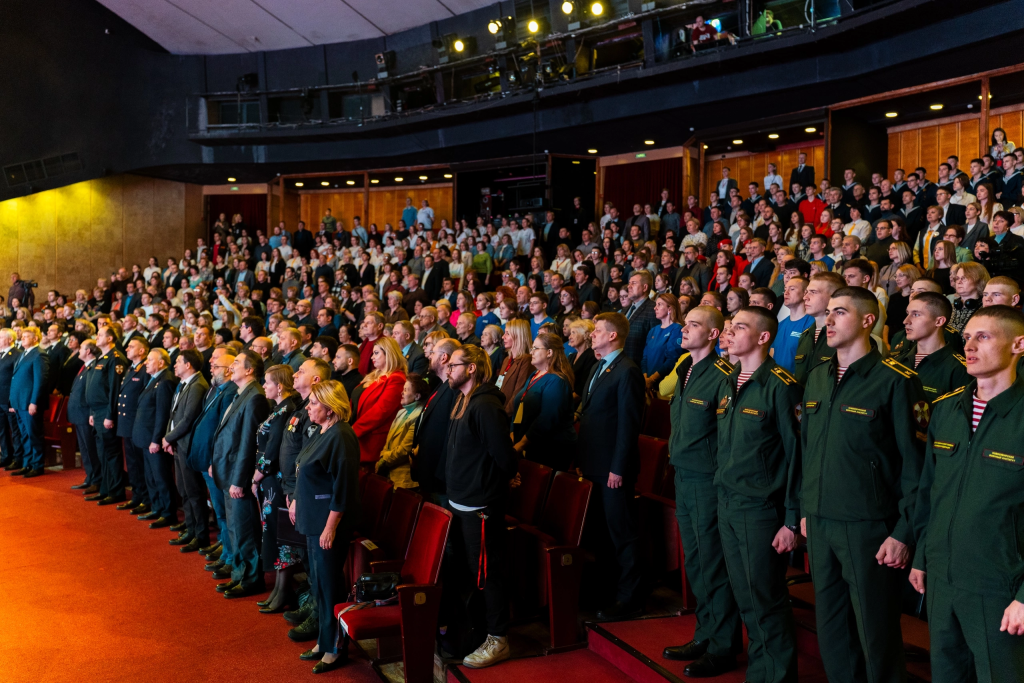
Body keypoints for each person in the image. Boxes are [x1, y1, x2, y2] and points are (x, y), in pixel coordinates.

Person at [799, 286, 928, 683]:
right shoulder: (818, 376)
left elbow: (917, 466)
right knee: (833, 628)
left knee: (875, 632)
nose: (830, 320)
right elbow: (808, 450)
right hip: (821, 520)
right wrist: (806, 509)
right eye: (829, 312)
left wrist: (904, 532)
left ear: (868, 320)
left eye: (840, 312)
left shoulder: (895, 380)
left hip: (869, 525)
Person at [910, 305, 1024, 683]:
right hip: (943, 579)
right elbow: (931, 492)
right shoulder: (947, 410)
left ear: (1019, 344)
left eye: (984, 336)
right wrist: (922, 556)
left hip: (1000, 586)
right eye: (968, 337)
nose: (970, 345)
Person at [662, 306, 743, 675]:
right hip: (684, 476)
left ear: (713, 334)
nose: (684, 327)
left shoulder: (724, 375)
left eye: (693, 324)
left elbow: (727, 438)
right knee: (695, 563)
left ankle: (724, 646)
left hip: (707, 482)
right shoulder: (684, 369)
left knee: (713, 564)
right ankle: (705, 633)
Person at [444, 344, 519, 669]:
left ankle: (498, 638)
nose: (448, 369)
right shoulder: (464, 400)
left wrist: (491, 487)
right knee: (470, 574)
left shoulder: (486, 405)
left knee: (488, 573)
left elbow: (504, 456)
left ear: (472, 368)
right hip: (461, 502)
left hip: (480, 505)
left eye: (454, 365)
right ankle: (475, 632)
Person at [577, 312, 647, 621]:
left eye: (597, 331)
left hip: (613, 469)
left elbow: (628, 425)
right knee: (601, 534)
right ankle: (605, 592)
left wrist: (618, 468)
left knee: (622, 533)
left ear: (613, 336)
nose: (592, 334)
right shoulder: (597, 366)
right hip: (594, 464)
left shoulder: (627, 371)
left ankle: (630, 597)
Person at [291, 380, 360, 674]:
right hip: (312, 519)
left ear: (330, 408)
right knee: (318, 584)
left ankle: (335, 648)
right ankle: (323, 640)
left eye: (314, 404)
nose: (308, 407)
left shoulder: (342, 436)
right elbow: (305, 469)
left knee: (330, 585)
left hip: (327, 524)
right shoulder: (321, 431)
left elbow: (342, 489)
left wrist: (330, 527)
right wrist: (295, 500)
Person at [279, 358, 332, 641]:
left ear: (315, 380)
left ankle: (317, 614)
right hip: (294, 492)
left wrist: (295, 494)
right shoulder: (302, 409)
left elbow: (308, 464)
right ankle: (311, 606)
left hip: (308, 497)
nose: (295, 372)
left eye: (302, 370)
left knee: (315, 563)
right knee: (308, 559)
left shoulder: (318, 417)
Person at [211, 349, 270, 598]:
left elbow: (248, 443)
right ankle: (239, 575)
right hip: (228, 471)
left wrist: (239, 480)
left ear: (249, 370)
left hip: (239, 477)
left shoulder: (255, 396)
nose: (230, 366)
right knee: (235, 529)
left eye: (236, 362)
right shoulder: (242, 393)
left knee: (245, 530)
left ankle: (251, 579)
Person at [252, 364, 302, 614]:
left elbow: (272, 450)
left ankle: (284, 590)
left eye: (267, 382)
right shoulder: (279, 408)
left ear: (279, 386)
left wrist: (256, 477)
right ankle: (279, 589)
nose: (264, 386)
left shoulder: (287, 410)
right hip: (269, 481)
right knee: (273, 531)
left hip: (275, 480)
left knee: (283, 536)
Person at [161, 349, 212, 548]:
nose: (174, 365)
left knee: (193, 492)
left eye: (178, 362)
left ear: (188, 365)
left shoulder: (198, 385)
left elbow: (188, 419)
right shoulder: (184, 384)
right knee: (184, 490)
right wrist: (168, 437)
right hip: (178, 444)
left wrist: (168, 438)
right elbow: (174, 415)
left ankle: (200, 536)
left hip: (188, 445)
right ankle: (190, 530)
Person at [510, 332, 576, 471]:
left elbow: (547, 419)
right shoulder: (535, 374)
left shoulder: (557, 380)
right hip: (529, 443)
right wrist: (512, 434)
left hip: (549, 449)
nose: (531, 352)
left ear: (549, 352)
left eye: (536, 348)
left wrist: (522, 444)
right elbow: (520, 405)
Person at [890, 292, 970, 400]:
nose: (906, 321)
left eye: (916, 314)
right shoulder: (896, 363)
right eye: (907, 313)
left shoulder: (959, 370)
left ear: (939, 321)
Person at [412, 338, 461, 506]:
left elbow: (450, 433)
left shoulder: (453, 389)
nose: (429, 356)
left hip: (439, 476)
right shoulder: (441, 385)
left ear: (444, 358)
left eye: (432, 353)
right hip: (428, 469)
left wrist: (440, 473)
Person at [85, 325, 128, 501]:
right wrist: (91, 412)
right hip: (97, 411)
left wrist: (110, 415)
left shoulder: (115, 358)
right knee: (102, 452)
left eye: (101, 335)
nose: (97, 337)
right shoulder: (101, 358)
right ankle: (105, 488)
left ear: (110, 338)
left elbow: (114, 390)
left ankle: (116, 491)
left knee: (111, 452)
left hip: (106, 411)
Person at [350, 336, 407, 467]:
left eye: (376, 353)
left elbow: (381, 411)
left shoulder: (397, 379)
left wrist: (354, 430)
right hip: (359, 433)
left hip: (371, 439)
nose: (372, 357)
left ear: (389, 353)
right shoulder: (375, 375)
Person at [115, 337, 152, 513]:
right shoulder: (131, 368)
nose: (127, 348)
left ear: (142, 351)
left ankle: (146, 498)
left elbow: (145, 400)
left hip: (137, 423)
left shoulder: (145, 370)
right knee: (132, 463)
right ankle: (137, 496)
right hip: (127, 423)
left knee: (139, 463)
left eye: (131, 346)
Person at [9, 326, 50, 478]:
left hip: (29, 403)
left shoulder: (39, 355)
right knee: (24, 434)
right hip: (19, 402)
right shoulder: (23, 353)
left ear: (35, 338)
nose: (22, 338)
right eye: (23, 336)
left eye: (26, 336)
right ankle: (27, 463)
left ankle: (37, 465)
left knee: (34, 434)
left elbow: (40, 381)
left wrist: (34, 402)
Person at [792, 272, 846, 384]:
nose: (805, 297)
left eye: (813, 292)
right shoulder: (805, 336)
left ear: (834, 296)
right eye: (806, 292)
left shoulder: (845, 337)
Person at [374, 373, 427, 488]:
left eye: (406, 390)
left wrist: (384, 460)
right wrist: (383, 456)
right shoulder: (401, 412)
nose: (402, 393)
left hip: (404, 479)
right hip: (389, 473)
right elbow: (388, 442)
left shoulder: (419, 416)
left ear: (417, 396)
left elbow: (405, 449)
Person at [65, 340, 101, 489]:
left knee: (91, 448)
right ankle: (90, 477)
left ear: (88, 352)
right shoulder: (85, 366)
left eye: (81, 348)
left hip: (86, 414)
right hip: (78, 413)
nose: (78, 350)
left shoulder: (94, 367)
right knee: (84, 449)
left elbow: (92, 393)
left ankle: (97, 480)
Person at [640, 293, 683, 391]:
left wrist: (652, 379)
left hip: (663, 385)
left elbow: (672, 360)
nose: (655, 308)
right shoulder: (653, 330)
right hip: (647, 384)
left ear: (670, 309)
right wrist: (645, 378)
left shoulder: (677, 330)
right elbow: (645, 358)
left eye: (659, 304)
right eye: (656, 305)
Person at [495, 319, 535, 416]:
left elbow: (518, 393)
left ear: (519, 336)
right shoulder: (506, 360)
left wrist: (503, 414)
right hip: (498, 409)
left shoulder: (527, 360)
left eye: (507, 333)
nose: (503, 337)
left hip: (509, 417)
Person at [622, 270, 658, 367]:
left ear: (645, 287)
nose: (629, 286)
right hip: (622, 363)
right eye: (629, 283)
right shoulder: (625, 309)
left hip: (637, 366)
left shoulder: (653, 309)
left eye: (633, 283)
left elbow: (653, 344)